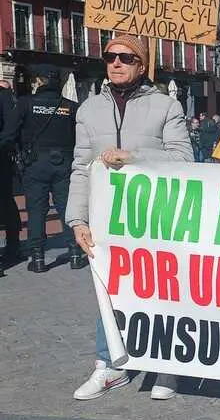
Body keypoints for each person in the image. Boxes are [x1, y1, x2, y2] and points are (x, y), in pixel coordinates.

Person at [67, 34, 193, 401]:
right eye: (110, 57)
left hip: (158, 214)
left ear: (141, 65)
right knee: (109, 286)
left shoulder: (166, 106)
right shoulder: (88, 110)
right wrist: (77, 220)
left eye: (125, 57)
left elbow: (184, 158)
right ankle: (110, 365)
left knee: (165, 285)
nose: (116, 63)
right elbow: (80, 167)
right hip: (109, 218)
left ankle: (168, 364)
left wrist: (133, 156)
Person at [10, 71, 84, 272]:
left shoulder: (26, 103)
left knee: (36, 210)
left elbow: (10, 133)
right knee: (66, 209)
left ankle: (38, 258)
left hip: (35, 163)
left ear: (40, 81)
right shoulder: (71, 106)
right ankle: (75, 253)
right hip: (65, 162)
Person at [0, 75, 22, 270]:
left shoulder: (3, 95)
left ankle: (13, 246)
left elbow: (10, 128)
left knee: (5, 201)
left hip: (1, 158)